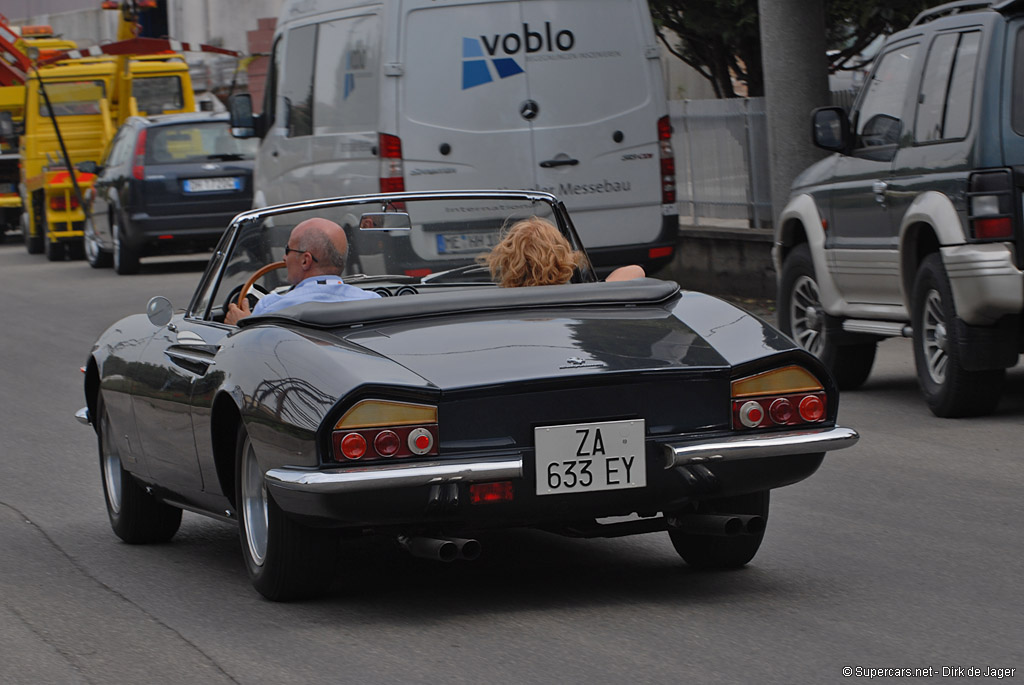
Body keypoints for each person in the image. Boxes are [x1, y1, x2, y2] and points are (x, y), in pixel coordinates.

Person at [225, 217, 379, 325]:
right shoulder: (372, 302)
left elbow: (254, 354)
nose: (284, 258)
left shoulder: (271, 307)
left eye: (288, 250)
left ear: (306, 260)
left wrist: (242, 326)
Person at [482, 216, 645, 288]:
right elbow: (636, 270)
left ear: (505, 260)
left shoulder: (493, 306)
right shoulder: (586, 299)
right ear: (563, 258)